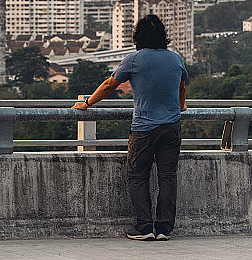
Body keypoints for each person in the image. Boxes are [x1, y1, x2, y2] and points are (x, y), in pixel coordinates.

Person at [72, 13, 188, 241]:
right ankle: (164, 229)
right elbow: (181, 87)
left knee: (138, 177)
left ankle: (145, 228)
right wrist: (181, 106)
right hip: (171, 127)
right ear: (163, 36)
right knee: (167, 177)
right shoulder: (175, 59)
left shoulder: (133, 60)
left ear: (138, 37)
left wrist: (87, 103)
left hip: (144, 129)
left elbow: (109, 85)